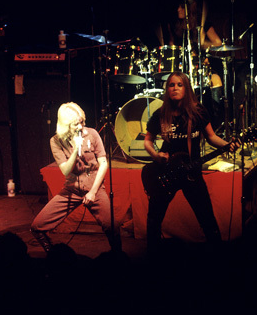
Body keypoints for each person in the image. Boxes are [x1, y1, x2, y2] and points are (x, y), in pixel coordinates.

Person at [142, 71, 239, 254]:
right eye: (171, 85)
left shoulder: (198, 111)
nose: (175, 88)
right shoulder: (160, 113)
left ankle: (218, 258)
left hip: (191, 172)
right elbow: (148, 140)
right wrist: (155, 155)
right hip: (167, 172)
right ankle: (151, 256)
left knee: (207, 218)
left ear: (187, 88)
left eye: (180, 85)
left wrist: (227, 145)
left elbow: (211, 137)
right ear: (167, 89)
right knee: (154, 217)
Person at [30, 102, 122, 253]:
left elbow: (103, 163)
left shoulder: (92, 134)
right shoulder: (56, 141)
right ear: (65, 125)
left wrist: (92, 192)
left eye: (81, 122)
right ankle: (54, 258)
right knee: (37, 226)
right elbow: (66, 170)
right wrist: (74, 151)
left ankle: (118, 258)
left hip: (94, 187)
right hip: (72, 189)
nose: (80, 127)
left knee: (113, 226)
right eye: (75, 124)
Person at [166, 0, 224, 128]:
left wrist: (202, 44)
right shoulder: (174, 26)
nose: (178, 10)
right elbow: (171, 48)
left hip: (200, 66)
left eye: (181, 7)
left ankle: (216, 126)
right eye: (178, 7)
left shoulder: (201, 25)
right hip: (181, 68)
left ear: (189, 8)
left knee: (216, 80)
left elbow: (218, 43)